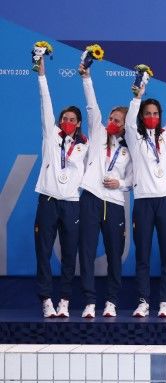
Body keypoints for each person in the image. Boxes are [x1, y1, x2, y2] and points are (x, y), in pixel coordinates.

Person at [125, 63, 166, 318]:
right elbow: (129, 121)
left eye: (155, 113)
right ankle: (143, 301)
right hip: (143, 202)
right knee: (143, 255)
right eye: (147, 113)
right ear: (142, 116)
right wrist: (137, 96)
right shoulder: (135, 138)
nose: (152, 117)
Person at [78, 61, 132, 319]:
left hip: (115, 204)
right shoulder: (98, 133)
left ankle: (111, 301)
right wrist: (86, 77)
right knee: (87, 251)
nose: (111, 122)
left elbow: (134, 179)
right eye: (110, 118)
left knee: (114, 254)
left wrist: (120, 184)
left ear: (124, 125)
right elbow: (91, 106)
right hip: (90, 198)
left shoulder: (131, 148)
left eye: (116, 120)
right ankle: (89, 301)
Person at [34, 59, 88, 318]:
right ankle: (46, 300)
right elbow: (45, 102)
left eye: (72, 119)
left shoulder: (85, 145)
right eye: (64, 119)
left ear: (78, 123)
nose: (67, 122)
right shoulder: (51, 135)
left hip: (72, 203)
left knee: (69, 254)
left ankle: (64, 300)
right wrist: (41, 74)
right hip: (48, 200)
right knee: (43, 252)